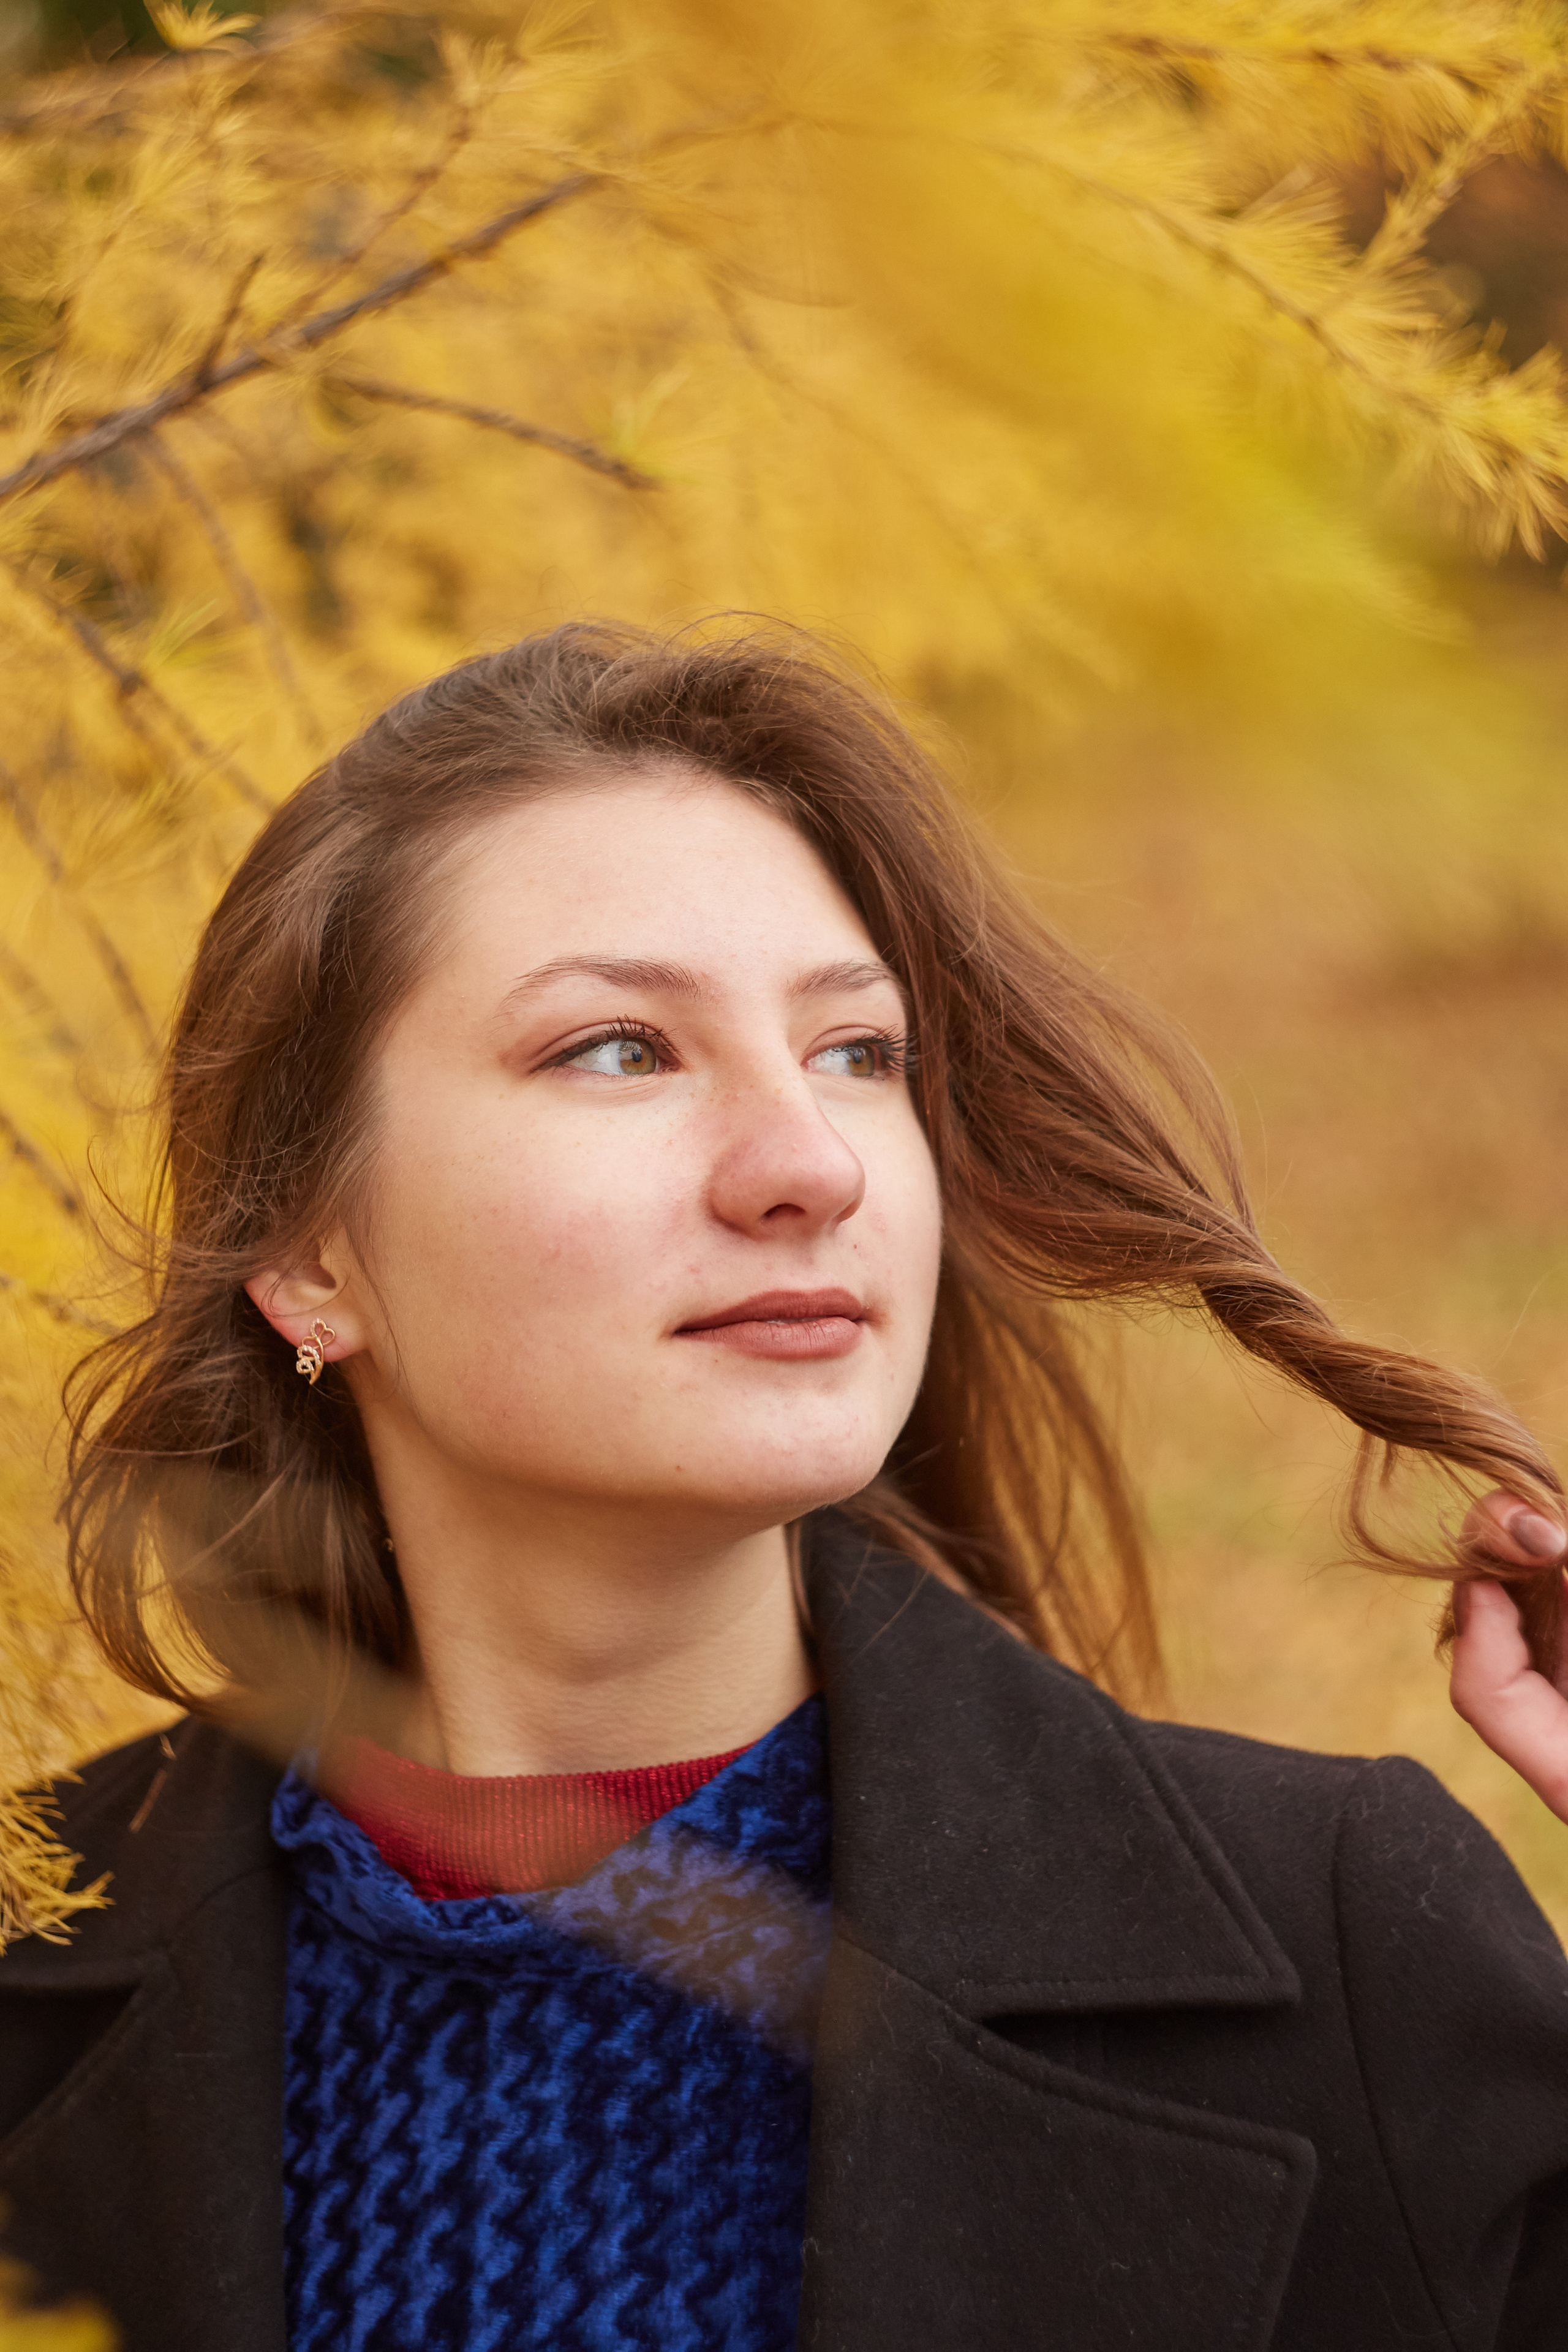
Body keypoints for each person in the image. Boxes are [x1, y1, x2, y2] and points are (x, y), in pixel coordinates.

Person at [2, 622, 1566, 2352]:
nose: (806, 1165)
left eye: (856, 1053)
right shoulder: (31, 1977)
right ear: (308, 1251)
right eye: (617, 1050)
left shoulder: (1341, 1945)